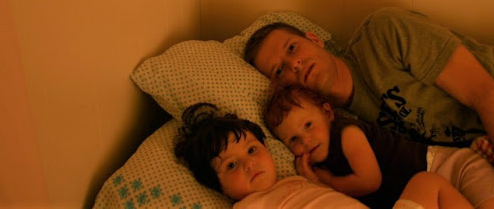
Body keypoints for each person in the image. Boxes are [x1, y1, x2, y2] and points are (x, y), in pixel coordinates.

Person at [243, 7, 494, 209]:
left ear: (314, 39)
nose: (294, 64)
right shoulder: (341, 131)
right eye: (279, 70)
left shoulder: (382, 34)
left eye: (292, 48)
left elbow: (488, 95)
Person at [174, 102, 474, 209]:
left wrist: (315, 180)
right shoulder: (249, 206)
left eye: (252, 150)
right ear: (220, 188)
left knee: (427, 182)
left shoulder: (296, 181)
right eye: (231, 165)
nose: (249, 163)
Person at [265, 85, 494, 209]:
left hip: (454, 168)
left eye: (308, 125)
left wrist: (325, 182)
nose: (305, 141)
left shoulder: (347, 133)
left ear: (328, 113)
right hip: (432, 195)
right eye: (293, 140)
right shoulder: (320, 165)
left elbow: (370, 181)